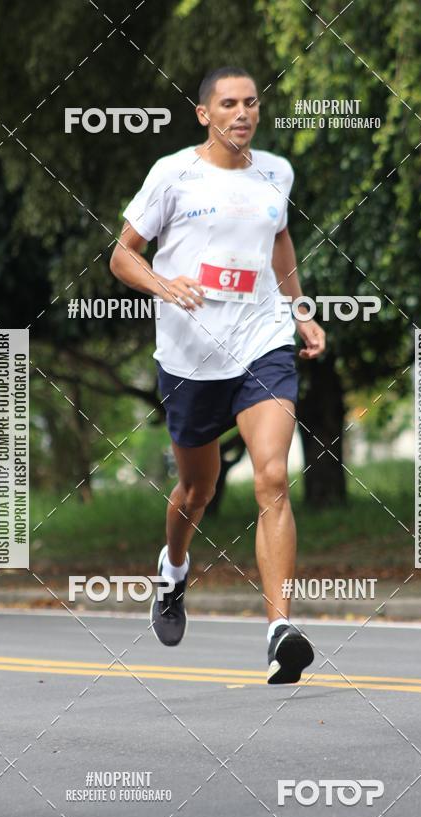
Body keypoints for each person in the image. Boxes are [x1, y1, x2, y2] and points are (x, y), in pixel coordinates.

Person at [109, 66, 326, 684]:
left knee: (274, 476)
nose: (242, 112)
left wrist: (300, 312)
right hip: (190, 361)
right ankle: (173, 569)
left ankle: (279, 629)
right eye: (228, 104)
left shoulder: (275, 173)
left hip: (262, 346)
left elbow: (280, 242)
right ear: (204, 113)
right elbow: (122, 254)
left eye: (251, 102)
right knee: (196, 492)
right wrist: (163, 283)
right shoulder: (172, 174)